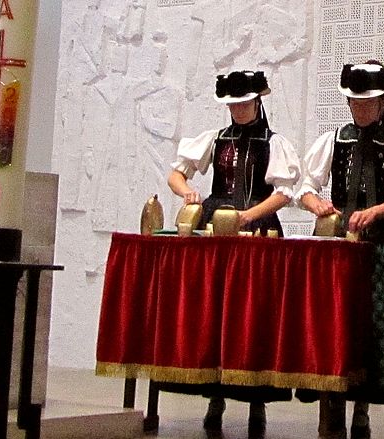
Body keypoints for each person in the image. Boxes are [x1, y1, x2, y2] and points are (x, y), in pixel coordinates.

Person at [166, 70, 301, 437]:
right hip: (217, 228)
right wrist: (188, 193)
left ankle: (258, 404)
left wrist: (248, 216)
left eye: (244, 103)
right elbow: (176, 174)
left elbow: (284, 193)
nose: (238, 109)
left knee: (256, 314)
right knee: (216, 310)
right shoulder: (216, 139)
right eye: (233, 104)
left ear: (258, 101)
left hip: (258, 228)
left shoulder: (274, 142)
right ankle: (215, 396)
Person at [298, 61, 384, 439]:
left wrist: (374, 212)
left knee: (372, 323)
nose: (360, 109)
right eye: (354, 103)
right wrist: (316, 204)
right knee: (332, 324)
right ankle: (329, 405)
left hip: (379, 245)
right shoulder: (334, 140)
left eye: (368, 103)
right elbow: (306, 184)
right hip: (337, 249)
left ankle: (362, 408)